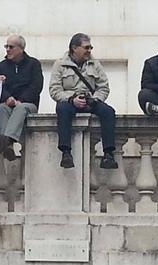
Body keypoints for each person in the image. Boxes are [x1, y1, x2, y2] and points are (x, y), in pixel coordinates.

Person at [49, 33, 117, 169]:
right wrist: (71, 99)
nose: (89, 50)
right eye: (86, 47)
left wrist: (95, 99)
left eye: (90, 47)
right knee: (62, 109)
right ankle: (66, 153)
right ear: (74, 48)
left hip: (90, 100)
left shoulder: (95, 64)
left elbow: (103, 87)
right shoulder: (60, 65)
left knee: (108, 112)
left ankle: (108, 154)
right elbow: (54, 90)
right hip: (69, 101)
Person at [0, 35, 43, 161]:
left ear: (21, 48)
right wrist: (7, 97)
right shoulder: (1, 66)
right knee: (1, 109)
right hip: (8, 103)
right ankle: (8, 146)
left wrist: (21, 100)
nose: (8, 49)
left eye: (11, 47)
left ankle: (6, 139)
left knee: (21, 108)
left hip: (28, 104)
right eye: (6, 46)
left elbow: (36, 86)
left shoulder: (33, 64)